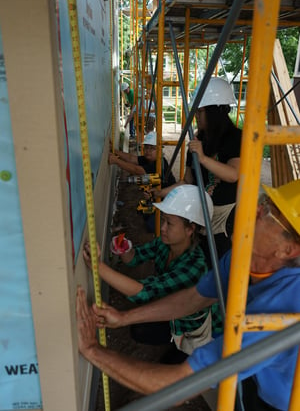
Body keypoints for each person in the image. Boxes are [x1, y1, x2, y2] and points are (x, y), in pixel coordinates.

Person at [76, 179, 300, 411]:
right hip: (266, 375)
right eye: (264, 202)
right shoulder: (243, 257)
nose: (254, 210)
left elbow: (179, 386)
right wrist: (124, 318)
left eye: (269, 213)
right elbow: (195, 298)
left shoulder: (278, 311)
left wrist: (93, 350)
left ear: (288, 249)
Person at [83, 185, 221, 361]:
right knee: (141, 329)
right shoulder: (165, 244)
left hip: (193, 331)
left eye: (169, 223)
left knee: (171, 367)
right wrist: (124, 249)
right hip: (175, 315)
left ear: (190, 229)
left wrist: (98, 267)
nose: (162, 228)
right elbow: (134, 258)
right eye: (163, 220)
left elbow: (143, 291)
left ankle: (182, 352)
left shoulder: (194, 267)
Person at [152, 77, 242, 262]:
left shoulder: (235, 138)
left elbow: (233, 174)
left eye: (200, 111)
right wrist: (160, 192)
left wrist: (202, 158)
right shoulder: (199, 138)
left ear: (215, 111)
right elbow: (187, 180)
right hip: (199, 213)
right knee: (197, 260)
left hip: (223, 219)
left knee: (218, 261)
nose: (196, 116)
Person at [108, 131, 176, 186]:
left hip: (167, 198)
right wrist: (114, 150)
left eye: (152, 148)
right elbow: (131, 158)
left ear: (160, 150)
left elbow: (137, 170)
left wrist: (116, 161)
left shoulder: (159, 163)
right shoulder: (150, 158)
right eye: (146, 147)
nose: (148, 151)